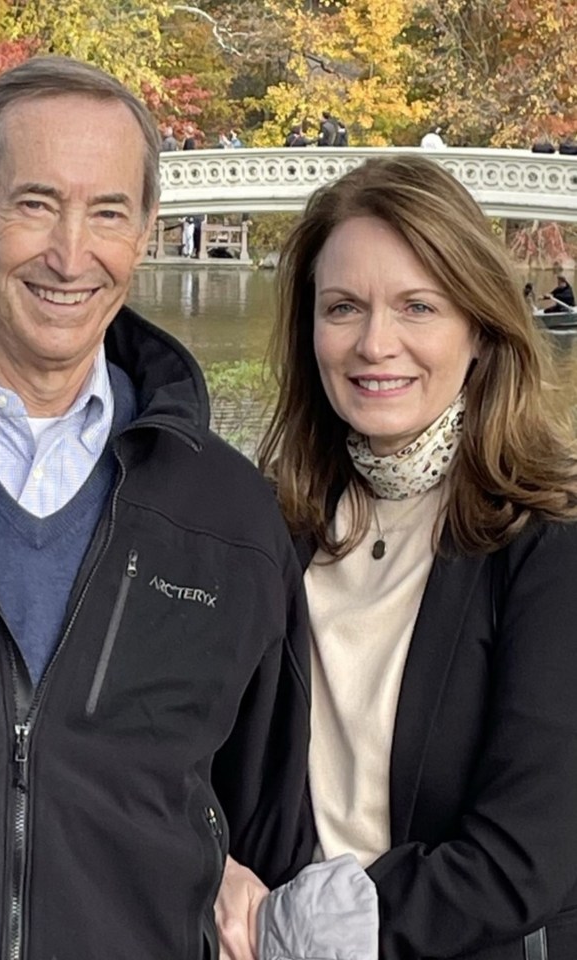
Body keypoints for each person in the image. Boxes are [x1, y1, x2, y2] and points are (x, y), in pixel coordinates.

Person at [0, 55, 315, 960]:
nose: (72, 254)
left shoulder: (230, 520)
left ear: (149, 227)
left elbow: (264, 828)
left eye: (109, 212)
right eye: (36, 203)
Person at [219, 155, 577, 960]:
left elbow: (529, 854)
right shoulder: (262, 527)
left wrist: (296, 931)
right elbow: (182, 760)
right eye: (344, 307)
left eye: (419, 306)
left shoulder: (549, 547)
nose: (376, 344)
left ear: (480, 329)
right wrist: (212, 869)